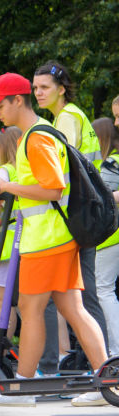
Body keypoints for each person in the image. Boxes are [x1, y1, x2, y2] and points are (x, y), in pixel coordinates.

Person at [0, 73, 109, 407]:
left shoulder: (36, 139)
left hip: (47, 241)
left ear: (17, 100)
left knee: (30, 308)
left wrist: (8, 188)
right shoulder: (32, 138)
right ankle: (107, 382)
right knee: (73, 310)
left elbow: (52, 189)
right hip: (54, 239)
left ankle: (22, 389)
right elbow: (40, 190)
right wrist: (9, 194)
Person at [32, 61, 110, 359]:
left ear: (61, 89)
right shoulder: (76, 115)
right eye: (35, 88)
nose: (38, 93)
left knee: (80, 296)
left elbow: (61, 173)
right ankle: (101, 366)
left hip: (75, 216)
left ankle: (102, 370)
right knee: (82, 295)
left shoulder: (65, 119)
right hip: (87, 211)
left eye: (45, 88)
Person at [91, 116, 119, 356]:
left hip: (111, 236)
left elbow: (105, 198)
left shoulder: (110, 164)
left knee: (104, 290)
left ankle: (115, 350)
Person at [0, 126, 22, 313]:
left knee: (3, 300)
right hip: (31, 238)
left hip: (10, 240)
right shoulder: (26, 171)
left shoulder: (5, 171)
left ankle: (2, 341)